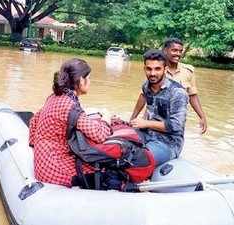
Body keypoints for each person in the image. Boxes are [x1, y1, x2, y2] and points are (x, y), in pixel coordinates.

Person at [28, 58, 112, 187]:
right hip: (54, 169)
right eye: (88, 78)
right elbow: (100, 135)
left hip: (42, 162)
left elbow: (34, 121)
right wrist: (106, 118)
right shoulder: (69, 106)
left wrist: (38, 149)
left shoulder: (54, 97)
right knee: (106, 170)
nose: (90, 82)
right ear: (80, 80)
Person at [129, 50, 188, 166]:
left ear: (165, 69)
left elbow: (176, 126)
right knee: (118, 143)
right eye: (149, 69)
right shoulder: (146, 85)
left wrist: (145, 123)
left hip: (169, 142)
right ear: (144, 68)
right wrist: (132, 118)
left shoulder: (177, 93)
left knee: (136, 160)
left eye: (157, 69)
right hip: (146, 133)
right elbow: (143, 96)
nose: (152, 73)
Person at [163, 38, 208, 134]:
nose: (178, 54)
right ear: (165, 51)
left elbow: (193, 96)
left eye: (180, 51)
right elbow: (146, 95)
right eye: (174, 50)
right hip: (156, 118)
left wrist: (202, 116)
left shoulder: (188, 71)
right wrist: (135, 118)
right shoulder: (157, 69)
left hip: (177, 121)